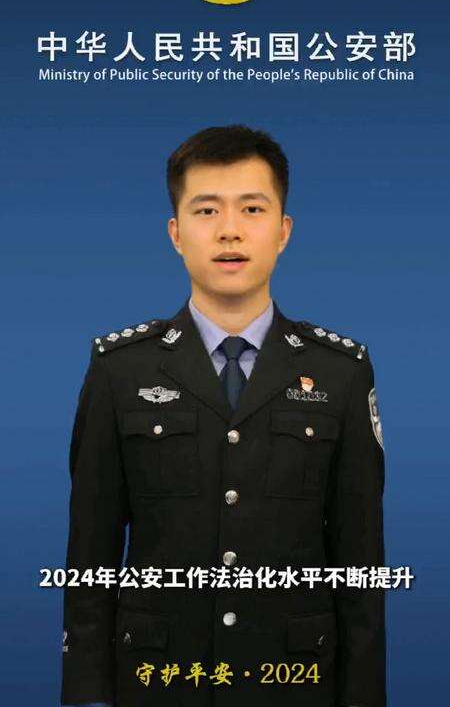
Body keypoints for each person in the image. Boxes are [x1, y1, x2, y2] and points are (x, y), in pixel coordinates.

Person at [60, 125, 386, 707]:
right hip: (159, 679)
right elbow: (91, 554)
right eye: (206, 209)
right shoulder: (120, 370)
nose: (230, 229)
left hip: (294, 681)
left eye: (252, 209)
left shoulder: (340, 372)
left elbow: (360, 562)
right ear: (176, 233)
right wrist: (86, 693)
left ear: (283, 231)